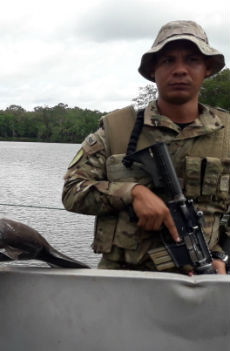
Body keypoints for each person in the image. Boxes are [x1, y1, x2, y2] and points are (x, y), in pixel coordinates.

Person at [62, 20, 228, 275]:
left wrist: (221, 255)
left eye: (192, 60)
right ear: (153, 71)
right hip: (123, 281)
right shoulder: (116, 130)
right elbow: (73, 191)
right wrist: (132, 192)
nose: (180, 70)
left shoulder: (227, 133)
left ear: (207, 69)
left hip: (203, 282)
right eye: (168, 61)